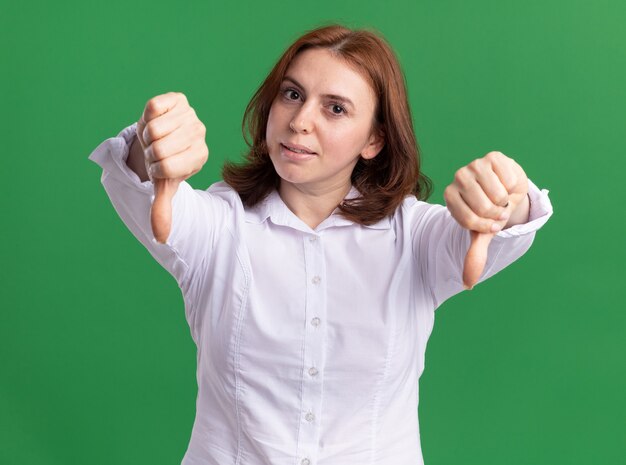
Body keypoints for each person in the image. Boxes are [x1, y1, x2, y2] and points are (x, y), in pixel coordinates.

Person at [89, 24, 553, 465]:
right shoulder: (218, 225)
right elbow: (139, 186)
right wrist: (153, 145)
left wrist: (504, 195)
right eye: (292, 94)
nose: (300, 121)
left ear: (374, 139)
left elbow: (496, 232)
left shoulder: (414, 236)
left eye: (335, 108)